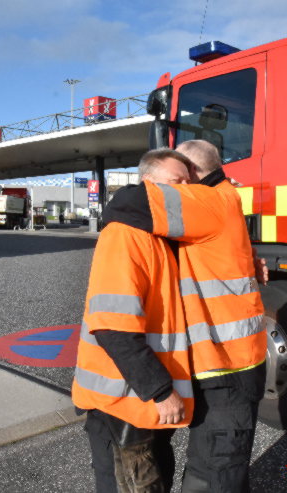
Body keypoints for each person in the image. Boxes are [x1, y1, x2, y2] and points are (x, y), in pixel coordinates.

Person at [105, 141, 266, 493]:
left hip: (227, 364)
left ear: (193, 177)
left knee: (216, 470)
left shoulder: (207, 201)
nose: (174, 190)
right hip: (231, 360)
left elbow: (125, 202)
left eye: (179, 179)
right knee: (220, 463)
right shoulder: (225, 198)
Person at [72, 149, 197, 492]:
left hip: (140, 404)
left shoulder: (162, 236)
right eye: (178, 181)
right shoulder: (126, 235)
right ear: (148, 183)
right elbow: (113, 327)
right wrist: (160, 391)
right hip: (121, 403)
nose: (187, 189)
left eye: (190, 181)